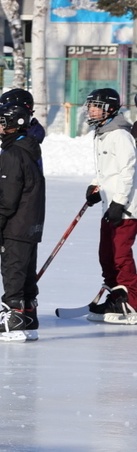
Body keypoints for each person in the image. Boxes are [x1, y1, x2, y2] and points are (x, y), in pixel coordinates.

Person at [0, 99, 44, 341]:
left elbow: (9, 194)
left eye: (2, 122)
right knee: (26, 271)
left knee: (13, 270)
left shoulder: (12, 153)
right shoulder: (29, 148)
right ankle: (28, 316)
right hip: (30, 224)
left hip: (16, 224)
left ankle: (15, 317)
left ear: (14, 123)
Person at [82, 88, 137, 322]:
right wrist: (95, 186)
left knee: (120, 256)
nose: (91, 110)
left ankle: (132, 303)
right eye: (90, 106)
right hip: (109, 205)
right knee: (106, 255)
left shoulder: (120, 135)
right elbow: (105, 170)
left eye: (96, 106)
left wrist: (119, 202)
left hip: (125, 208)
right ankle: (117, 297)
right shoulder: (102, 133)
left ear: (110, 109)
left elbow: (128, 171)